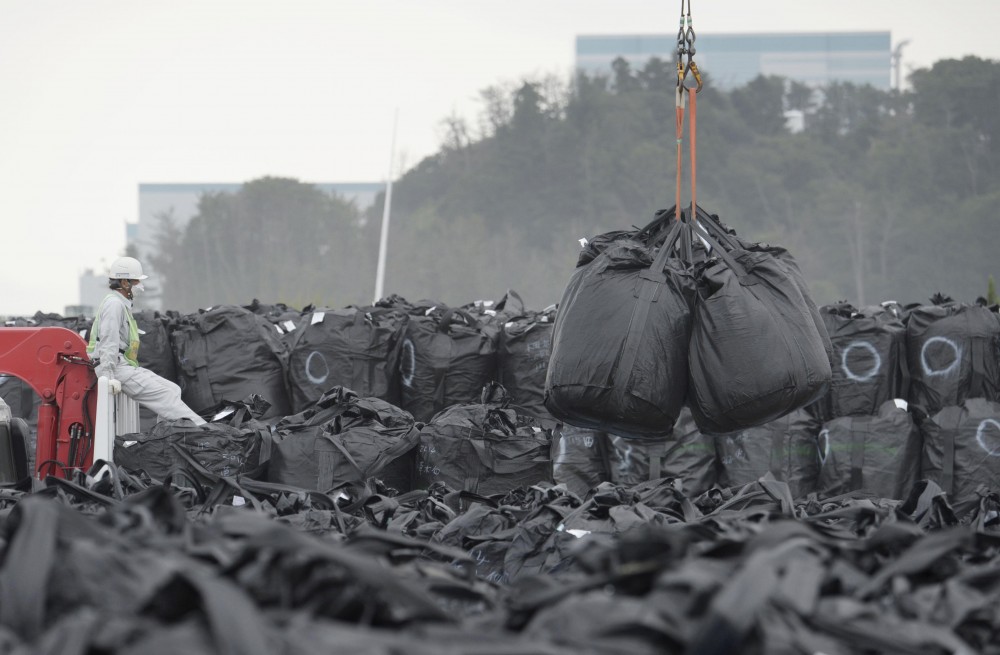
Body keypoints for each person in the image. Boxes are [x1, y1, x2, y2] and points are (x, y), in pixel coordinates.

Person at [87, 256, 207, 425]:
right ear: (124, 283)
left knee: (172, 389)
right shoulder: (114, 305)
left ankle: (168, 433)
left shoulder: (121, 304)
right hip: (115, 368)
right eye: (136, 281)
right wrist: (108, 376)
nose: (140, 285)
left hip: (122, 365)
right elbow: (108, 341)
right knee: (165, 395)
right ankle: (204, 430)